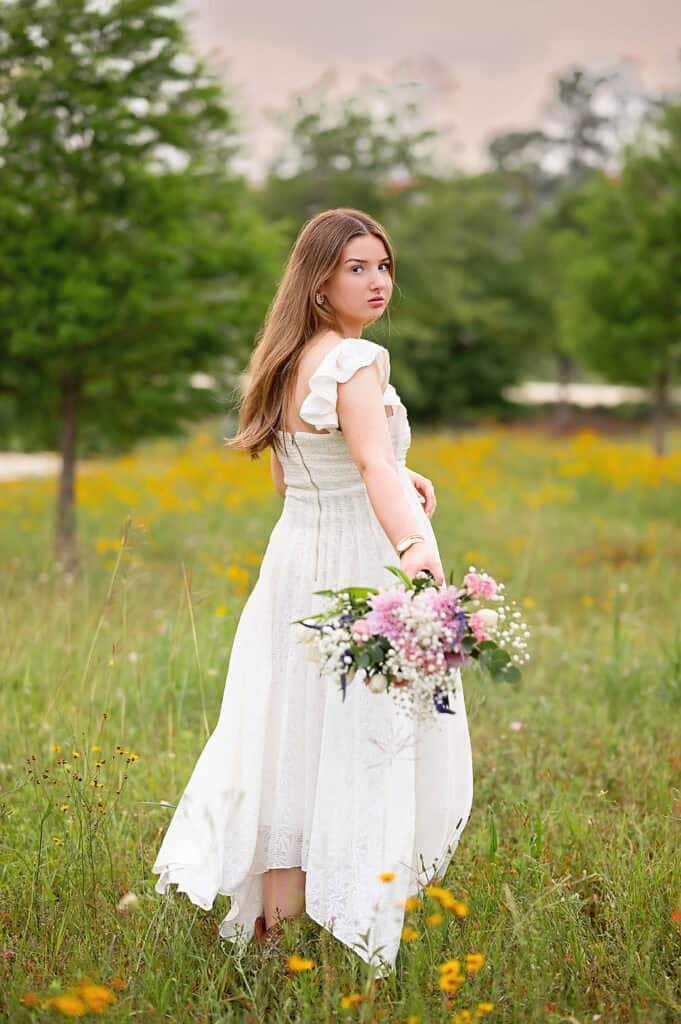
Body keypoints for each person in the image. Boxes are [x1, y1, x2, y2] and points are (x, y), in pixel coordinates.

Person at [152, 207, 473, 980]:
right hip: (352, 563)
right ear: (319, 280)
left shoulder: (289, 356)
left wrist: (403, 473)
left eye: (383, 266)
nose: (376, 282)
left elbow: (294, 470)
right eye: (356, 267)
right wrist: (415, 553)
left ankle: (274, 928)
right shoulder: (356, 362)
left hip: (296, 560)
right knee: (352, 740)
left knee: (288, 739)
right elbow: (365, 465)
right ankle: (335, 915)